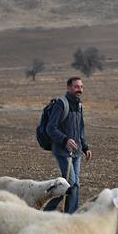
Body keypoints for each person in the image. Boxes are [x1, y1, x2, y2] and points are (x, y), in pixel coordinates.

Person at [43, 76, 91, 213]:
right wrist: (65, 140)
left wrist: (85, 147)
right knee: (72, 183)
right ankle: (62, 212)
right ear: (68, 88)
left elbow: (80, 129)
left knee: (72, 184)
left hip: (76, 151)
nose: (79, 89)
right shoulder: (61, 104)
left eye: (81, 87)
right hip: (63, 151)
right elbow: (50, 128)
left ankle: (60, 212)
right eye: (76, 87)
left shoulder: (79, 105)